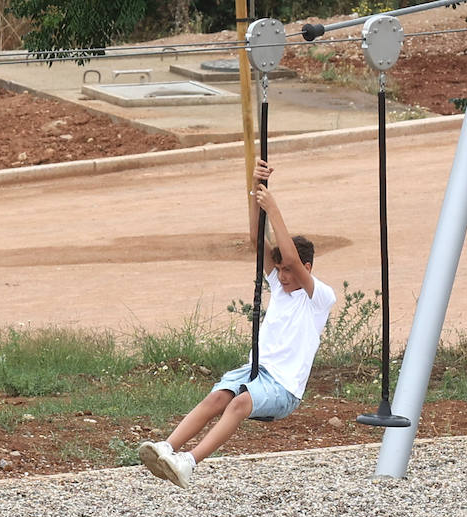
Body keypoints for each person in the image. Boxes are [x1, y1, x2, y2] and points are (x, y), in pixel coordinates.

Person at [138, 158, 336, 488]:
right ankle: (167, 449)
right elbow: (257, 242)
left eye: (289, 271)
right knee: (218, 397)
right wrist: (256, 192)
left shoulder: (319, 298)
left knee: (241, 402)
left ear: (307, 266)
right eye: (280, 272)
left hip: (284, 388)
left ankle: (189, 463)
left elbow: (288, 256)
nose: (283, 277)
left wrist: (274, 209)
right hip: (256, 372)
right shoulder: (280, 288)